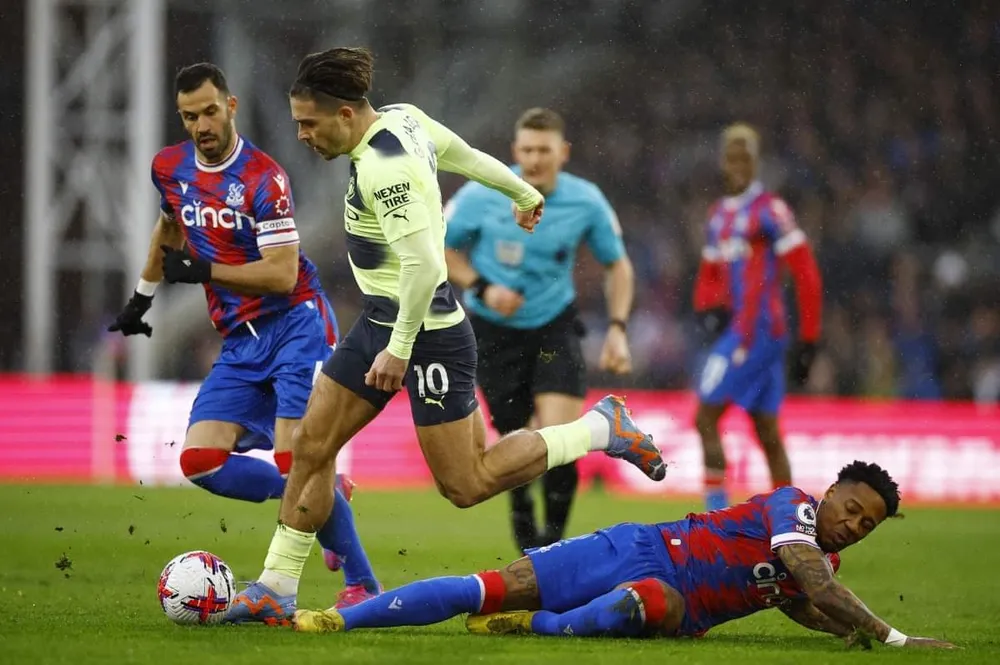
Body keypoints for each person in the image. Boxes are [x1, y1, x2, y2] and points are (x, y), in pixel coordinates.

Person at [225, 47, 666, 625]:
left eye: (309, 123)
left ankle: (599, 428)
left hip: (426, 333)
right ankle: (276, 586)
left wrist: (399, 349)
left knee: (467, 482)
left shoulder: (386, 168)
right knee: (311, 444)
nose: (303, 135)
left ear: (347, 115)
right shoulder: (403, 118)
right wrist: (521, 192)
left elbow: (427, 268)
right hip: (384, 320)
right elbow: (464, 154)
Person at [107, 62, 380, 609]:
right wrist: (142, 296)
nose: (201, 124)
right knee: (200, 461)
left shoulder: (263, 177)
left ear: (230, 107)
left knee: (294, 458)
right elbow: (169, 228)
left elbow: (281, 273)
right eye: (189, 116)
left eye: (210, 111)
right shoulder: (169, 168)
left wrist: (202, 272)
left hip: (296, 324)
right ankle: (328, 494)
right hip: (240, 340)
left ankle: (361, 584)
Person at [291, 461, 956, 651]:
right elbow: (807, 575)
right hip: (638, 544)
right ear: (832, 489)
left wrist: (844, 630)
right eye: (852, 508)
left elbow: (800, 597)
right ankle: (337, 620)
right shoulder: (797, 507)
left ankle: (542, 625)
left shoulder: (823, 563)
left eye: (866, 525)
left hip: (679, 604)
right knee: (488, 586)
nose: (853, 526)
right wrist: (890, 636)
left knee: (650, 604)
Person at [444, 107, 635, 553]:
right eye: (526, 149)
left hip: (554, 328)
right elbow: (442, 246)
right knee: (515, 437)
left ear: (562, 152)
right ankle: (520, 503)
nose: (534, 159)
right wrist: (483, 287)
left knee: (560, 436)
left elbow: (618, 265)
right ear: (515, 151)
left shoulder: (586, 200)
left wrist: (619, 327)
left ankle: (553, 544)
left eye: (543, 150)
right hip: (493, 332)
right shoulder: (482, 194)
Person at [692, 123, 823, 511]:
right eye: (731, 157)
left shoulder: (771, 210)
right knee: (767, 431)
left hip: (760, 332)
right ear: (722, 161)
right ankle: (793, 521)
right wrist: (707, 310)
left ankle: (714, 521)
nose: (737, 165)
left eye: (745, 157)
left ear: (756, 162)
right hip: (740, 330)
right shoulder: (718, 215)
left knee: (704, 417)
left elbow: (806, 273)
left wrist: (810, 338)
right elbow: (709, 273)